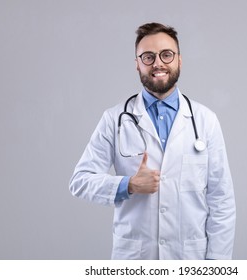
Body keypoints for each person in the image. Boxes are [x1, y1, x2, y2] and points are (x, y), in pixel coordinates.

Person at [69, 22, 236, 260]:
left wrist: (217, 265)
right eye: (148, 57)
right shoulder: (113, 119)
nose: (158, 63)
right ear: (137, 64)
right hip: (136, 258)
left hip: (190, 259)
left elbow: (222, 200)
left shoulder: (205, 120)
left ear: (179, 60)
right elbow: (80, 181)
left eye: (166, 55)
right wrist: (129, 185)